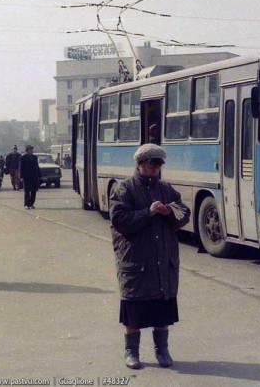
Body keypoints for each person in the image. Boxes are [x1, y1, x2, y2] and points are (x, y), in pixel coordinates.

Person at [109, 144, 191, 370]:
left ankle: (162, 350)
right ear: (139, 164)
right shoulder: (124, 189)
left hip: (162, 260)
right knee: (133, 310)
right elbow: (119, 220)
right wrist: (148, 212)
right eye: (150, 164)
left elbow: (184, 215)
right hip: (136, 260)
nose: (155, 168)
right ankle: (131, 351)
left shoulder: (167, 189)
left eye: (158, 165)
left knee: (161, 309)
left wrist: (169, 213)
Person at [19, 145, 41, 209]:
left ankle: (31, 204)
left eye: (32, 149)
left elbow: (37, 167)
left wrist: (40, 175)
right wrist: (21, 177)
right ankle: (26, 204)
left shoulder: (34, 157)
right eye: (30, 149)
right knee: (27, 191)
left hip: (34, 176)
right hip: (26, 177)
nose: (32, 151)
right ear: (27, 150)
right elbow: (21, 168)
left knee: (34, 191)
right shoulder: (22, 158)